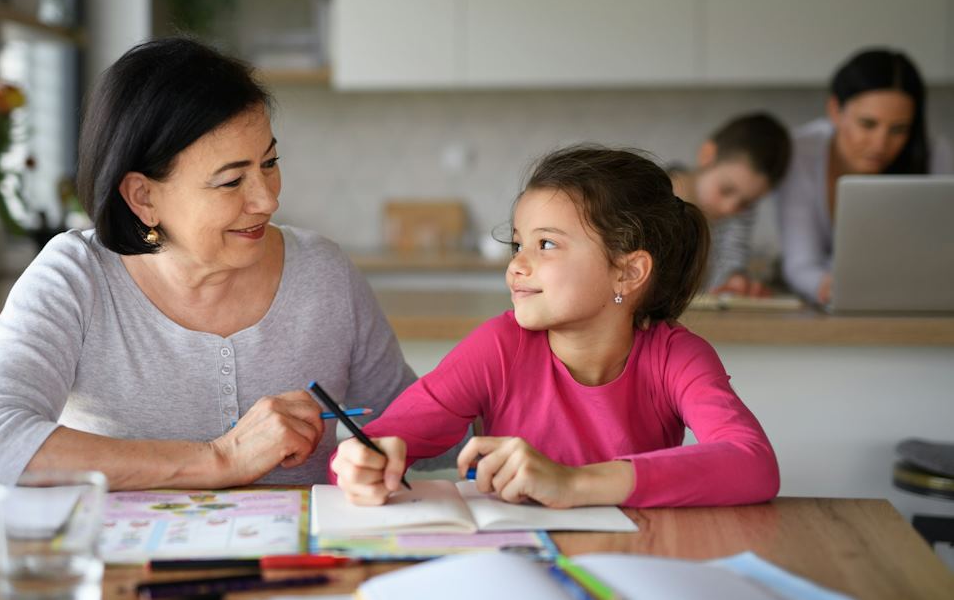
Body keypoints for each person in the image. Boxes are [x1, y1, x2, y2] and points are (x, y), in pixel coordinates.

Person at [0, 38, 418, 493]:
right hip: (123, 568)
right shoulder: (76, 279)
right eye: (231, 180)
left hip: (301, 569)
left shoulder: (323, 272)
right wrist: (220, 459)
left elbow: (421, 425)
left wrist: (479, 395)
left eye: (270, 163)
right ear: (144, 197)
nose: (268, 199)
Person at [331, 146, 780, 508]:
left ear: (628, 272)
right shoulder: (498, 347)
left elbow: (753, 464)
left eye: (546, 244)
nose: (516, 266)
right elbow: (363, 450)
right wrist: (361, 464)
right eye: (517, 244)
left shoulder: (677, 357)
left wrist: (574, 484)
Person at [777, 48, 953, 305]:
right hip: (836, 302)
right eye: (868, 124)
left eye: (899, 129)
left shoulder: (935, 154)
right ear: (835, 110)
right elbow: (801, 263)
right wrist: (828, 287)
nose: (881, 144)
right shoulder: (800, 153)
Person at [669, 112, 792, 295]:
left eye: (747, 203)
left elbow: (728, 267)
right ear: (707, 155)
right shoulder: (657, 197)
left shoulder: (738, 213)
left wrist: (734, 280)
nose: (730, 208)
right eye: (726, 190)